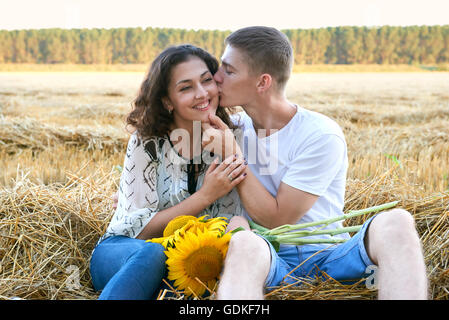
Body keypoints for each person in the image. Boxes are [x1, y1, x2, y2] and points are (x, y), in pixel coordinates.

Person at [201, 26, 428, 300]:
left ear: (262, 83)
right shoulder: (232, 128)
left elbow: (278, 219)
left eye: (229, 70)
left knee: (397, 221)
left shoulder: (320, 134)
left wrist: (233, 154)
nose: (216, 77)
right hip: (267, 258)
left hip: (332, 257)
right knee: (244, 242)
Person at [89, 44, 247, 300]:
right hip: (125, 254)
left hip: (187, 266)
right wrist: (205, 196)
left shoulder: (234, 137)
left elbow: (232, 221)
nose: (202, 93)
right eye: (186, 87)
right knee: (153, 255)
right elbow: (139, 231)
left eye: (207, 81)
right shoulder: (147, 142)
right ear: (166, 101)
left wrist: (231, 151)